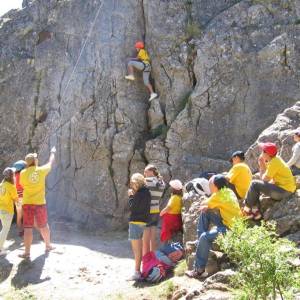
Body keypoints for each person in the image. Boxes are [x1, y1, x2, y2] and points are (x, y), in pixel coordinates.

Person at [185, 175, 242, 278]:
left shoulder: (218, 195)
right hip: (231, 224)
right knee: (206, 212)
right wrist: (208, 206)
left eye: (210, 184)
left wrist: (207, 205)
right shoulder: (229, 191)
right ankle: (200, 244)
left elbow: (203, 203)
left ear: (215, 186)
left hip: (230, 229)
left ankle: (199, 270)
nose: (209, 186)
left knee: (204, 237)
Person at [19, 147, 56, 259]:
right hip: (40, 203)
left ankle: (27, 252)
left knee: (28, 228)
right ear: (34, 161)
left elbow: (23, 185)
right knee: (44, 225)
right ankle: (48, 245)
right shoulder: (41, 170)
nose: (37, 159)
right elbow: (51, 162)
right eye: (36, 158)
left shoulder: (22, 173)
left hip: (27, 203)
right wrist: (52, 152)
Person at [243, 142, 296, 220]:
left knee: (254, 184)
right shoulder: (275, 160)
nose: (261, 153)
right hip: (285, 189)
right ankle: (255, 212)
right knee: (256, 188)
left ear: (266, 154)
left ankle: (247, 209)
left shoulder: (274, 163)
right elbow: (270, 179)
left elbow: (264, 180)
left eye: (262, 151)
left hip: (284, 192)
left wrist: (261, 166)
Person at [128, 173, 151, 281]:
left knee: (137, 250)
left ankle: (137, 273)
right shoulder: (147, 192)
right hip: (144, 223)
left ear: (137, 183)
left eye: (133, 184)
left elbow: (133, 207)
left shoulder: (139, 194)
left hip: (135, 223)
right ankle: (142, 270)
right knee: (141, 249)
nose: (133, 186)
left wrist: (131, 196)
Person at [143, 164, 165, 255]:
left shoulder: (146, 181)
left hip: (147, 210)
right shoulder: (161, 183)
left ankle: (146, 259)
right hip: (155, 210)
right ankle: (153, 257)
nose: (144, 173)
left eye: (145, 171)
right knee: (153, 236)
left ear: (151, 172)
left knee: (145, 237)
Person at [0, 168, 18, 256]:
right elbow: (16, 199)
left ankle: (1, 246)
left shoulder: (1, 185)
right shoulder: (11, 187)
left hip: (1, 210)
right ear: (12, 176)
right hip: (7, 210)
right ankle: (0, 249)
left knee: (4, 228)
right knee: (5, 230)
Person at [12, 160, 27, 236]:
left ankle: (20, 231)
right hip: (23, 197)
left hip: (17, 198)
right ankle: (25, 230)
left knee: (19, 215)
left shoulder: (13, 176)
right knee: (25, 215)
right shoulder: (23, 175)